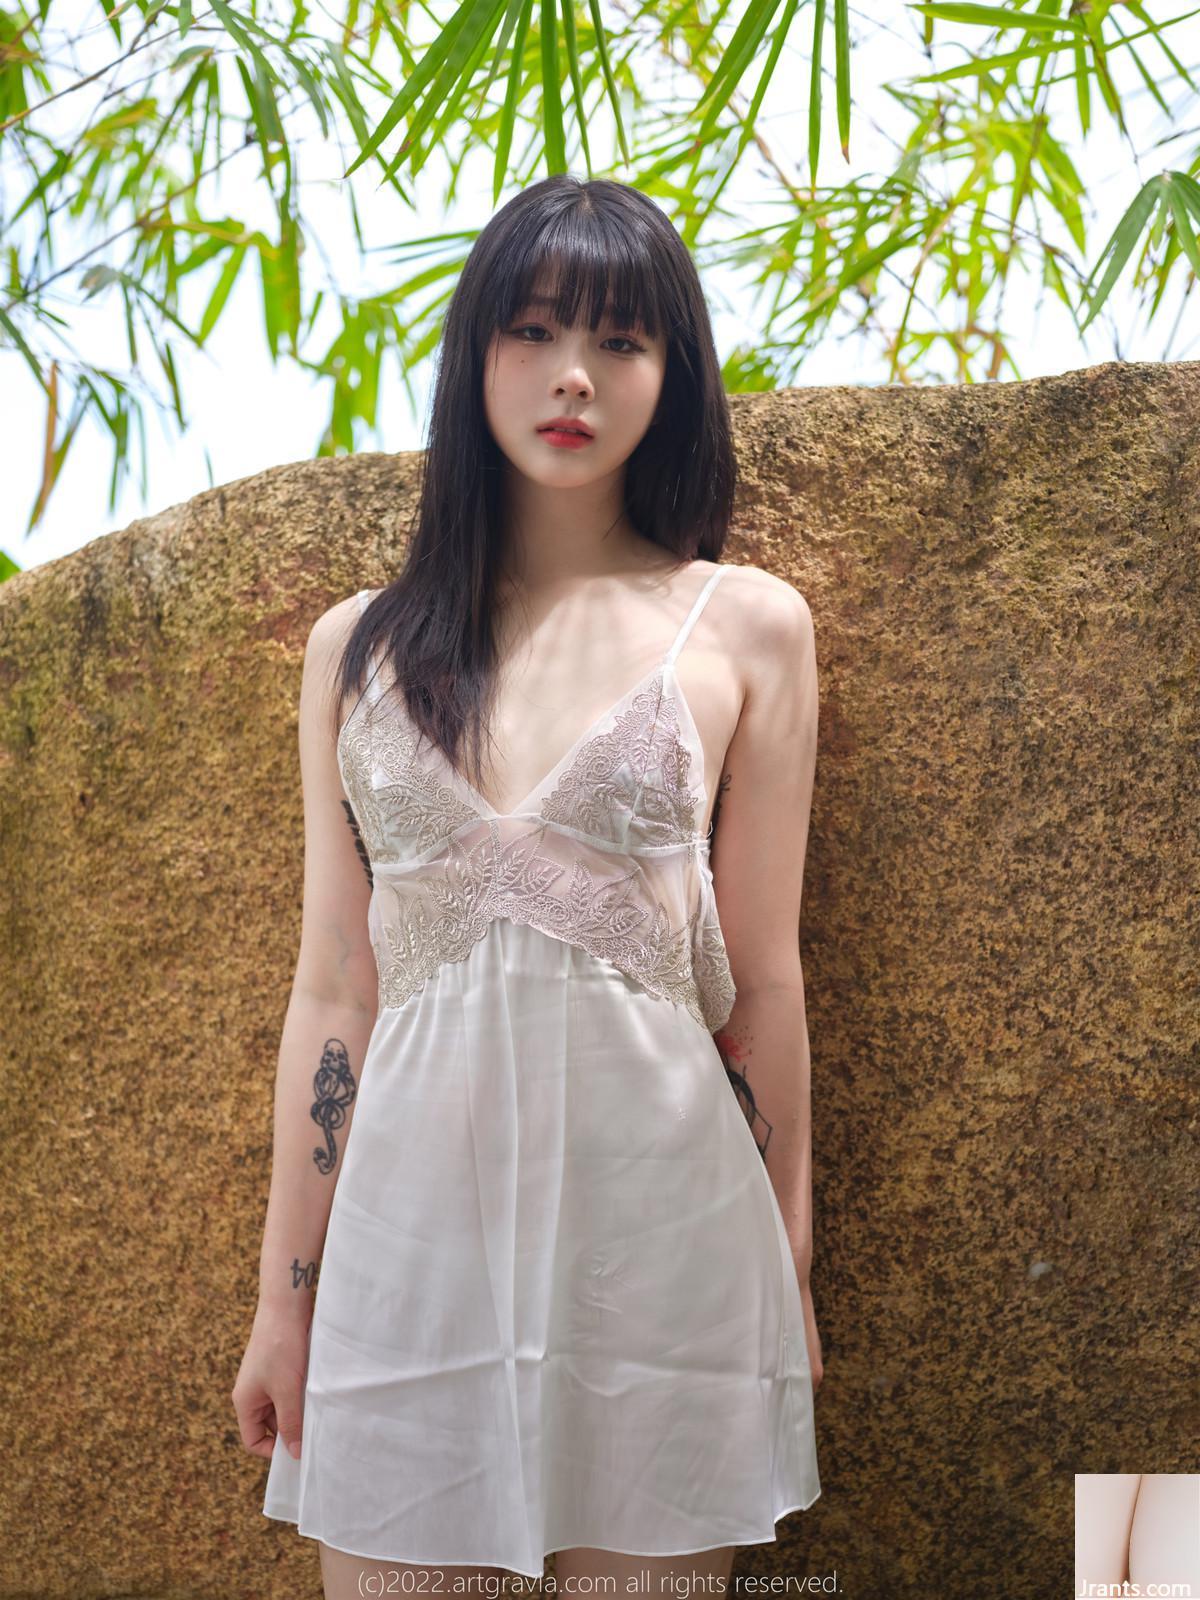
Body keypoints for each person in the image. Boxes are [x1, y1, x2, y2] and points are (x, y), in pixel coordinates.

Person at [233, 174, 823, 1599]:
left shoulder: (745, 625)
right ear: (476, 353)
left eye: (622, 341)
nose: (575, 376)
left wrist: (792, 1272)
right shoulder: (358, 650)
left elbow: (764, 982)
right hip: (408, 1255)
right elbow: (337, 988)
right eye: (537, 329)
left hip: (669, 1252)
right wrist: (284, 1303)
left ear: (672, 378)